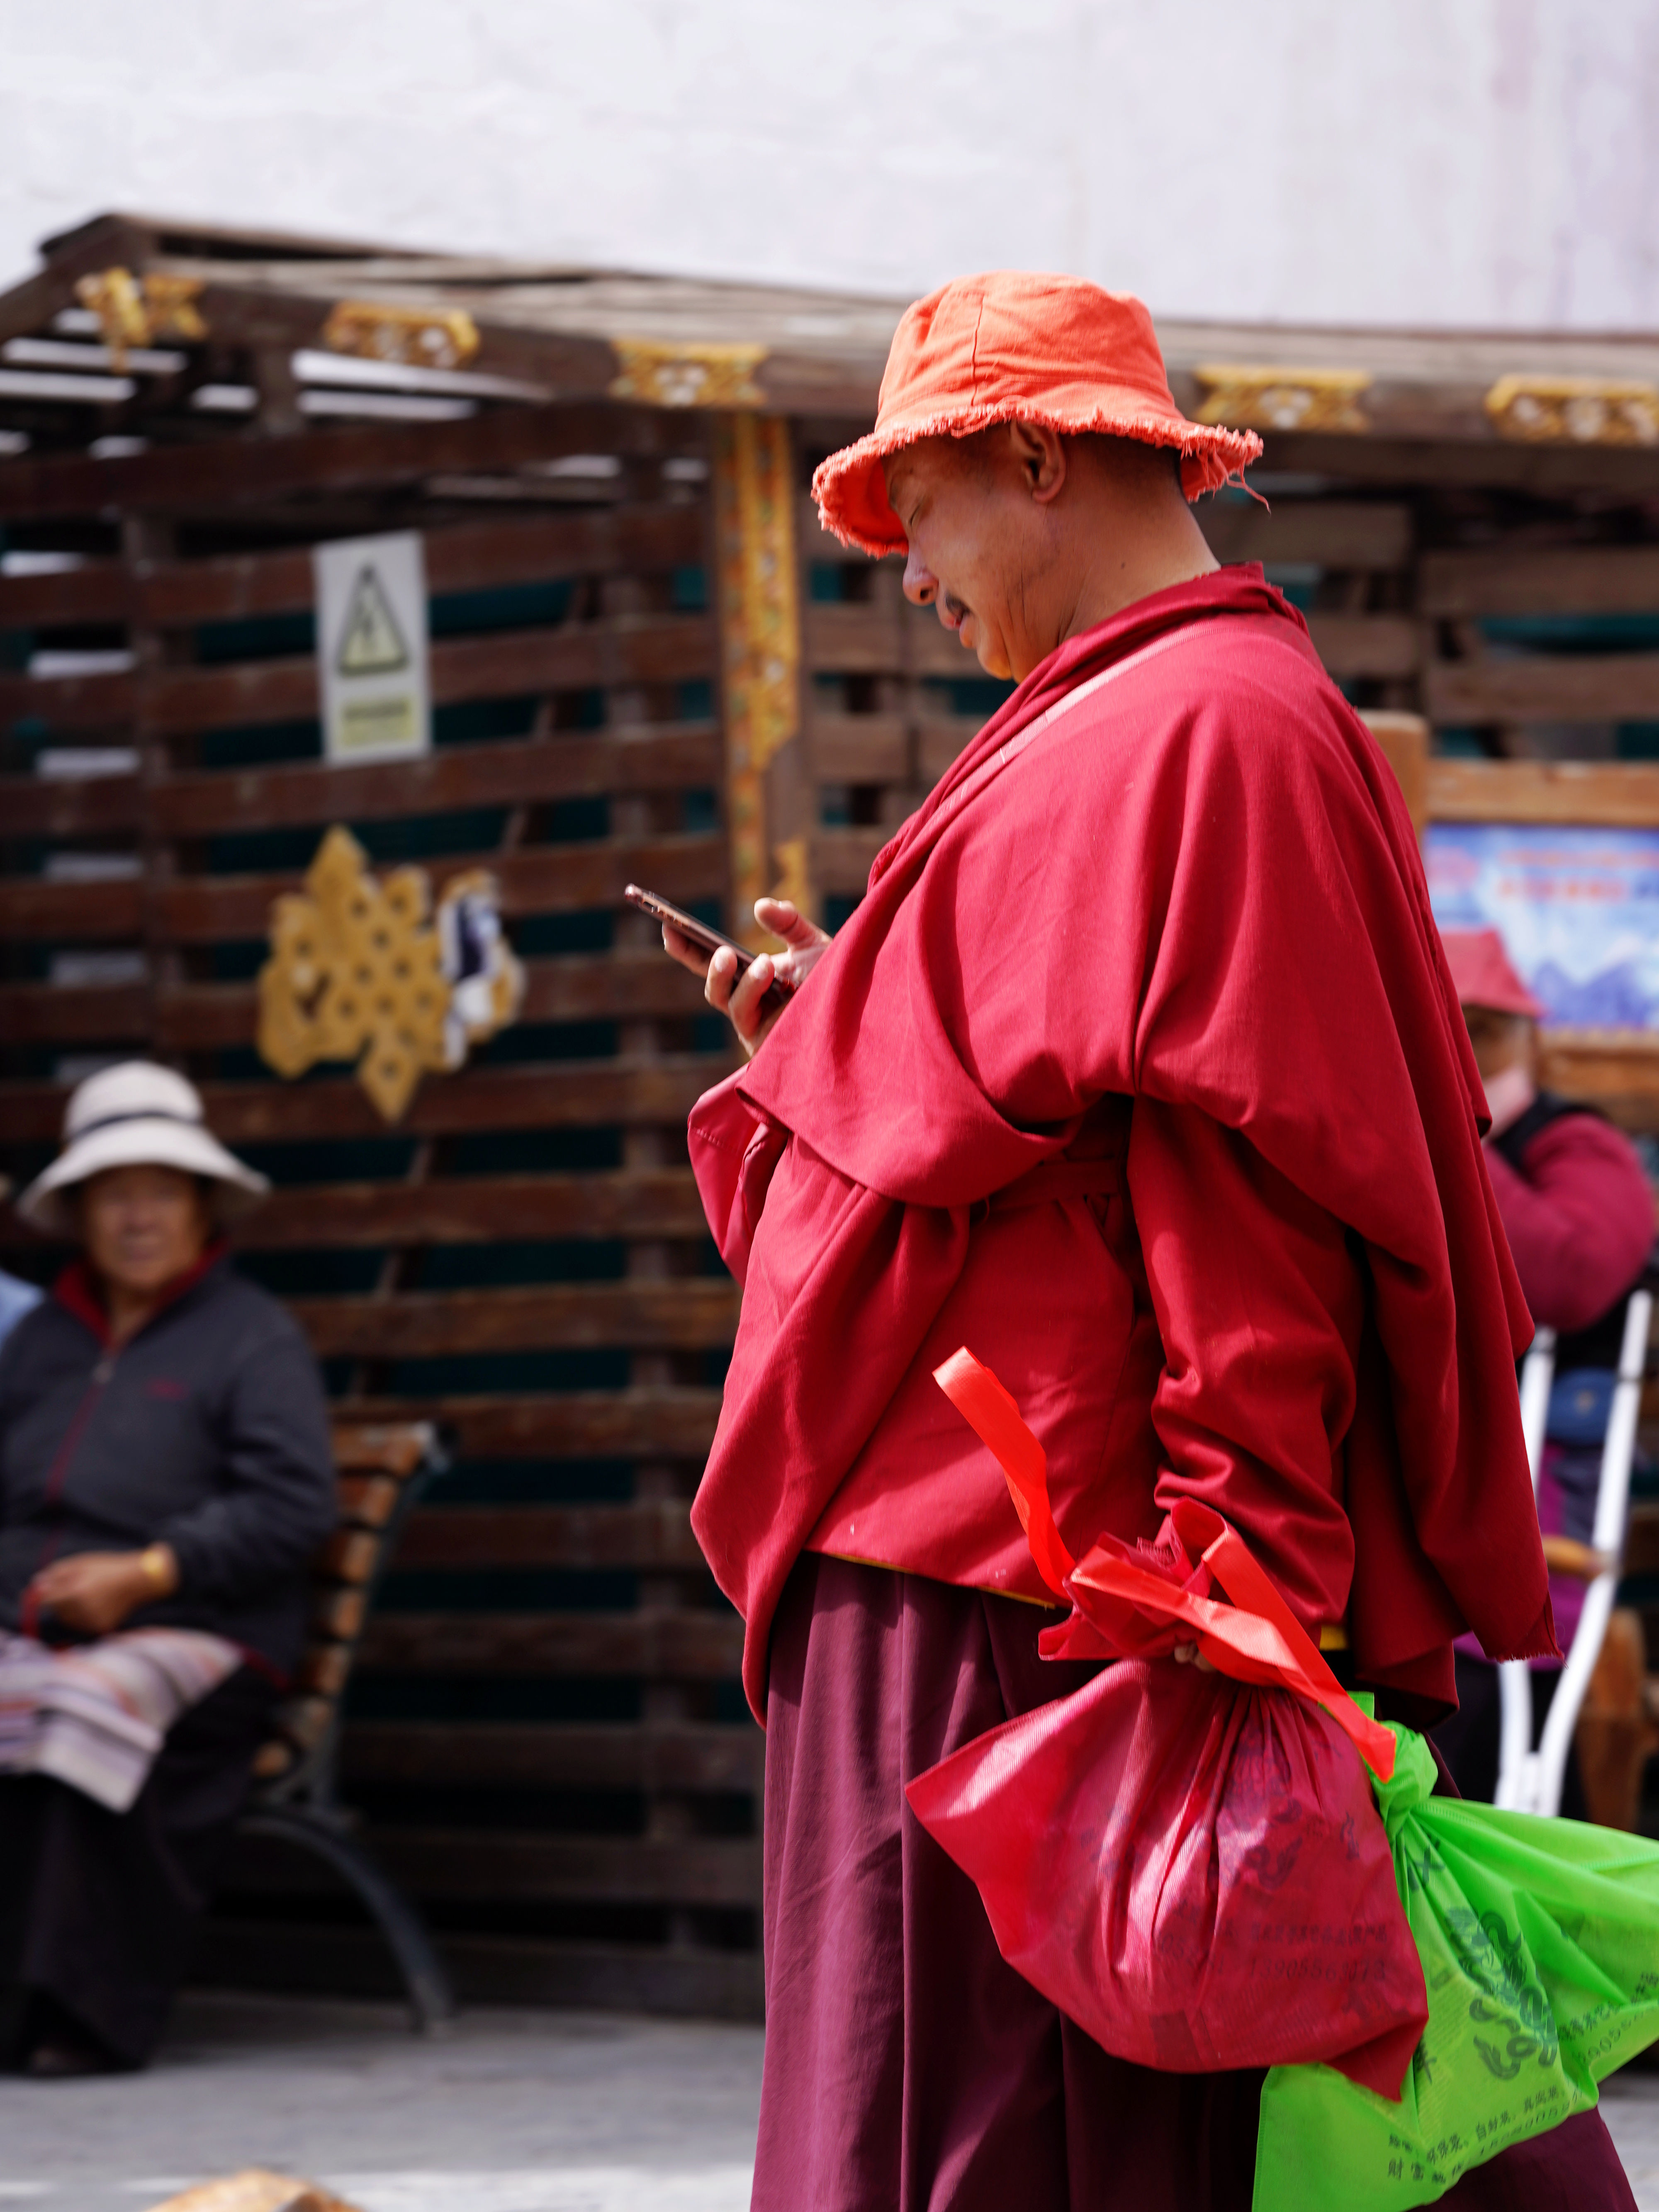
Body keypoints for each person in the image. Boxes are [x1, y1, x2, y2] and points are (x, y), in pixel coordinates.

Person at [664, 274, 1637, 2209]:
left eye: (917, 511)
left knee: (1004, 2150)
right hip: (980, 1578)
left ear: (1033, 456)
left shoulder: (1200, 731)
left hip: (1063, 1606)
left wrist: (1232, 1616)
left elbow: (1254, 1205)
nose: (909, 577)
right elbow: (1028, 1126)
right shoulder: (1113, 724)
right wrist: (833, 1032)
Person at [0, 1061, 336, 2075]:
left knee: (72, 1720)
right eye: (113, 1195)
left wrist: (146, 1574)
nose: (136, 1216)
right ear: (80, 1213)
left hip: (202, 1628)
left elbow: (293, 1509)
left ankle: (75, 2015)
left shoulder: (251, 1338)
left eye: (159, 1192)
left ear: (199, 1206)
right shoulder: (44, 1342)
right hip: (32, 1622)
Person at [1433, 926, 1657, 1807]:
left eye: (1483, 1028)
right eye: (1453, 1026)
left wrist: (1452, 1132)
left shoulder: (1573, 1147)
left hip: (1527, 1521)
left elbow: (1569, 1274)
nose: (1468, 1044)